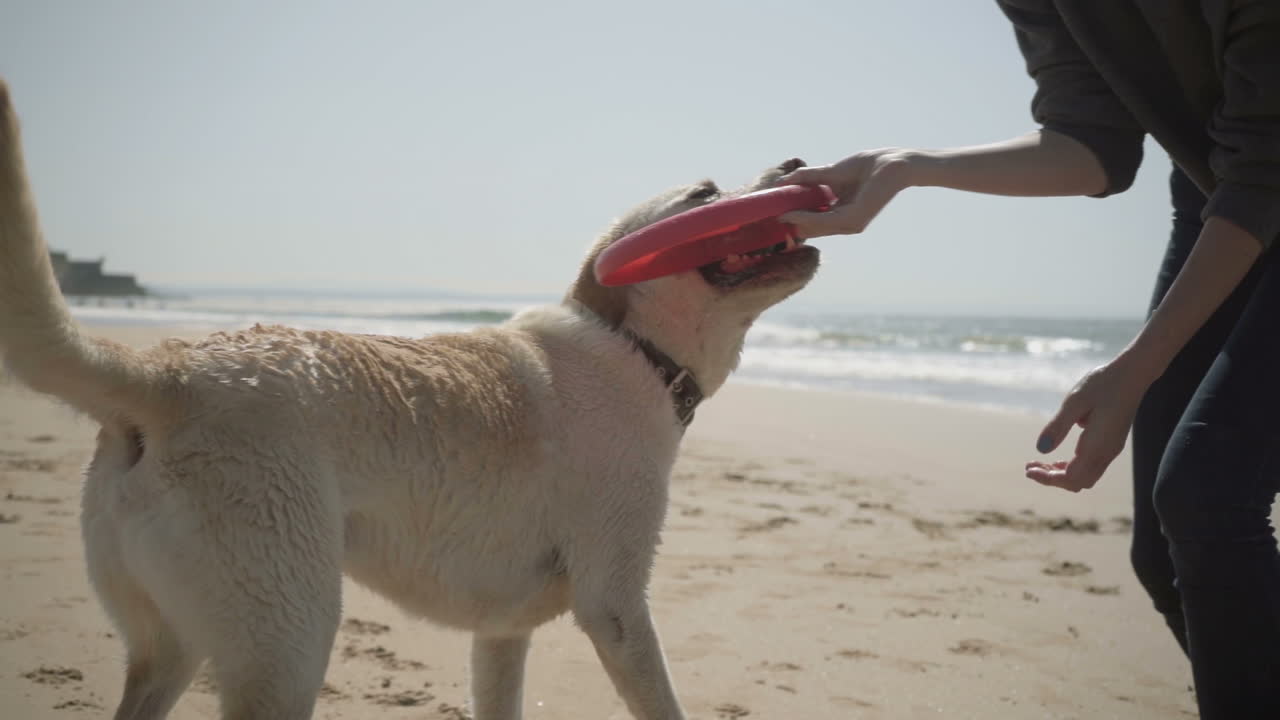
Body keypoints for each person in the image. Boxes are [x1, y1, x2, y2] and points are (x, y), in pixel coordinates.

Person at [777, 2, 1279, 717]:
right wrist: (907, 168)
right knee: (1167, 554)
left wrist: (1135, 369)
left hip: (1254, 177)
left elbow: (1265, 166)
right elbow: (1092, 146)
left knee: (1208, 496)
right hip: (1213, 191)